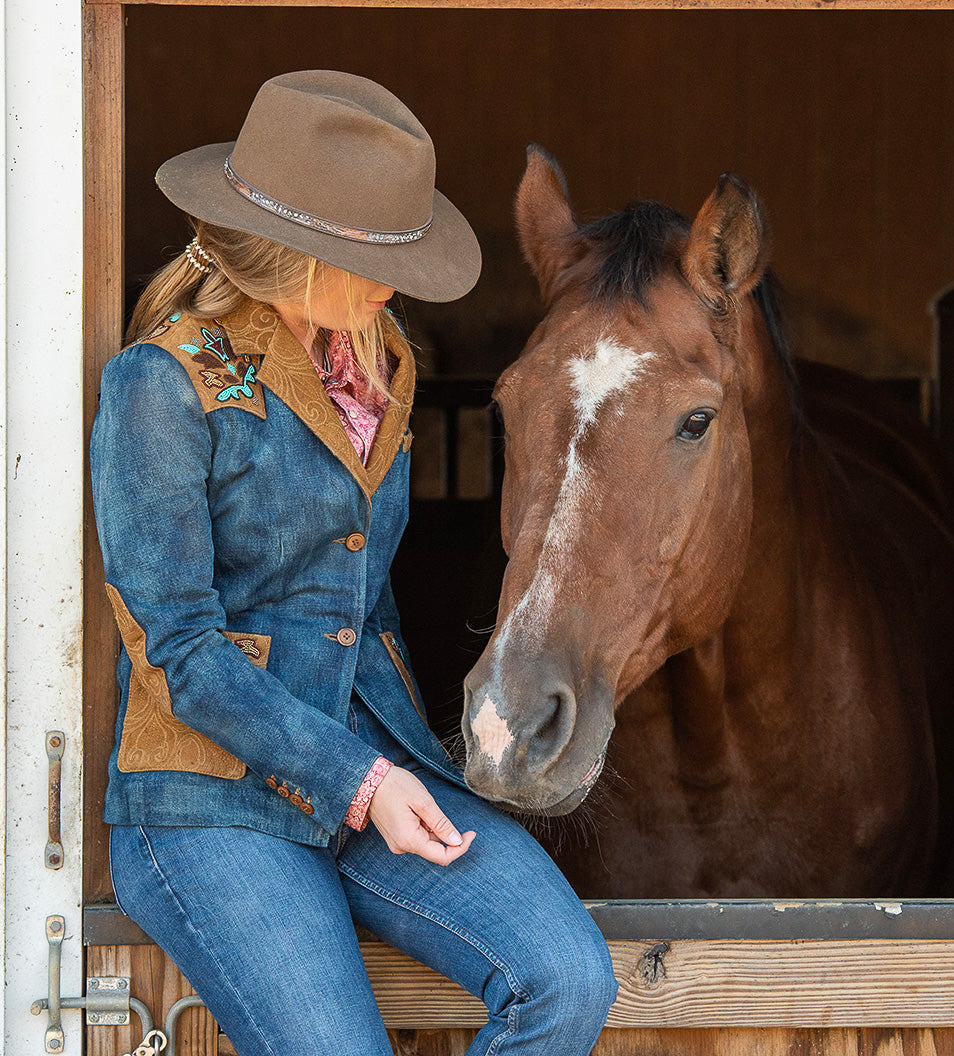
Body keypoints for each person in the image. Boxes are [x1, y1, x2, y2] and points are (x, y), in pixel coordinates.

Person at [91, 70, 617, 1056]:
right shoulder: (160, 386)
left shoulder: (380, 362)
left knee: (567, 979)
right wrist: (359, 782)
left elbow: (361, 603)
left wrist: (393, 768)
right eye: (379, 253)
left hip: (372, 762)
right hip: (209, 802)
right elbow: (181, 652)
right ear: (301, 252)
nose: (404, 277)